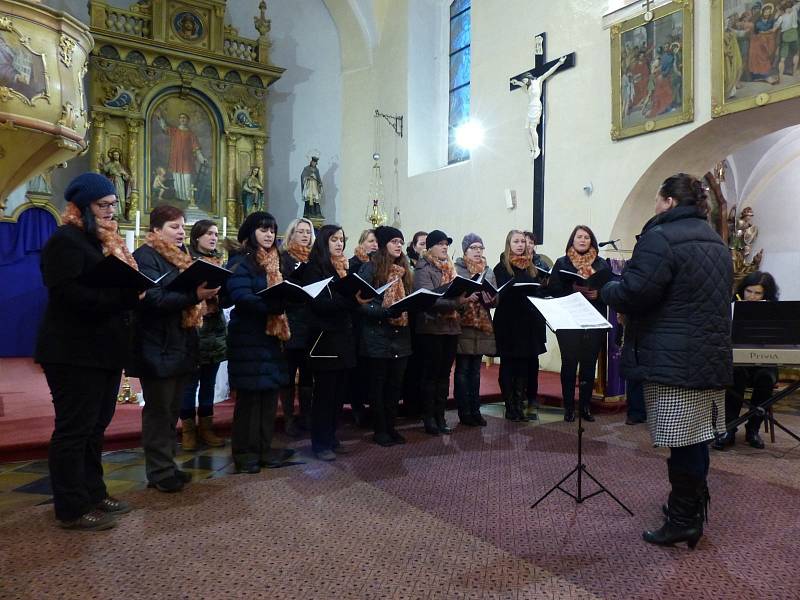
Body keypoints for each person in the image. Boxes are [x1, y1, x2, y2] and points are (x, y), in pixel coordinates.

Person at [601, 172, 733, 549]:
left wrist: (608, 287)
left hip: (674, 356)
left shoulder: (661, 237)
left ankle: (683, 521)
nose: (655, 206)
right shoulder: (715, 241)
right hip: (708, 354)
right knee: (697, 439)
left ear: (669, 202)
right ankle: (690, 511)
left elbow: (636, 291)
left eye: (658, 200)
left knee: (684, 444)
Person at [35, 173, 140, 530]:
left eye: (113, 204)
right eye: (103, 205)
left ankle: (94, 492)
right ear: (82, 207)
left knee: (96, 428)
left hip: (103, 350)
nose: (112, 211)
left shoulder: (100, 242)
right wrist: (122, 296)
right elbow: (67, 295)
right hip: (72, 351)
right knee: (73, 430)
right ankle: (71, 507)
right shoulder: (65, 241)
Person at [131, 205, 219, 493]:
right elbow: (152, 299)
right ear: (156, 230)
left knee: (171, 411)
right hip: (157, 344)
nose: (181, 231)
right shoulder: (145, 256)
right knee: (159, 412)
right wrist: (193, 295)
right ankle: (158, 471)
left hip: (180, 343)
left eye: (182, 226)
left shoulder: (182, 257)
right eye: (174, 226)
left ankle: (167, 465)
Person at [225, 212, 295, 474]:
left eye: (272, 230)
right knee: (249, 402)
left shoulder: (280, 262)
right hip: (248, 337)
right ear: (251, 232)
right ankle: (245, 454)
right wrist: (272, 305)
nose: (268, 235)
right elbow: (240, 296)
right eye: (263, 229)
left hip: (272, 338)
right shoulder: (241, 262)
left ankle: (265, 450)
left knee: (268, 399)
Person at [302, 224, 369, 460]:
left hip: (343, 338)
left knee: (339, 394)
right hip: (324, 340)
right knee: (325, 395)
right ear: (323, 242)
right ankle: (320, 443)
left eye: (342, 239)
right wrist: (352, 301)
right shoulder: (313, 269)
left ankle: (332, 437)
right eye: (334, 239)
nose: (339, 243)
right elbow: (318, 304)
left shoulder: (344, 269)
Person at [548, 225, 610, 423]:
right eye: (579, 237)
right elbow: (554, 290)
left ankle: (585, 406)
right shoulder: (562, 263)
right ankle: (568, 407)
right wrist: (571, 290)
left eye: (586, 237)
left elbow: (610, 289)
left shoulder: (601, 264)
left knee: (589, 364)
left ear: (591, 241)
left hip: (593, 319)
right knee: (569, 363)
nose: (583, 240)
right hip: (569, 320)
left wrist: (599, 294)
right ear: (572, 240)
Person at [357, 226, 413, 446]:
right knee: (378, 387)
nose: (399, 245)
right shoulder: (370, 269)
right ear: (382, 244)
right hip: (377, 336)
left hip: (400, 335)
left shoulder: (403, 269)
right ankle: (380, 429)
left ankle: (391, 427)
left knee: (394, 387)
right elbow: (361, 304)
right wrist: (385, 311)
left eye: (401, 241)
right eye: (394, 241)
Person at [715, 271, 780, 451]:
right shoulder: (732, 307)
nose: (752, 297)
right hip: (738, 361)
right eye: (749, 291)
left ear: (766, 295)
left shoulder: (775, 311)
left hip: (764, 362)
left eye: (758, 293)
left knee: (765, 379)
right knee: (736, 376)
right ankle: (729, 429)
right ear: (742, 290)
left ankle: (753, 429)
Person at [180, 220, 228, 451]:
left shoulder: (218, 262)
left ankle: (207, 428)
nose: (213, 238)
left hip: (215, 330)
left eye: (216, 234)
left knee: (208, 383)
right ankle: (188, 430)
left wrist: (221, 297)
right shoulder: (185, 261)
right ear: (197, 236)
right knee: (190, 384)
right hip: (193, 328)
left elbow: (228, 297)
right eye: (208, 233)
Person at [414, 229, 467, 435]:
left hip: (451, 328)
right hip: (431, 328)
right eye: (440, 244)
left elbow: (455, 298)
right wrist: (456, 301)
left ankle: (440, 415)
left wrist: (463, 300)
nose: (445, 247)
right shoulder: (423, 268)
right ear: (430, 247)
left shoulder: (450, 268)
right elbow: (429, 299)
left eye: (446, 244)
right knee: (431, 375)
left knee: (445, 375)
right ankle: (428, 417)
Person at [493, 230, 547, 423]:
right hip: (508, 322)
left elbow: (536, 291)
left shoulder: (531, 268)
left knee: (523, 367)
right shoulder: (501, 268)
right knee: (508, 366)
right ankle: (510, 406)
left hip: (527, 323)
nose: (520, 245)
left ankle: (520, 405)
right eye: (516, 241)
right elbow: (497, 293)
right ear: (509, 244)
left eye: (523, 241)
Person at [279, 217, 316, 437]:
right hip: (290, 320)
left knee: (308, 373)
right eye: (300, 231)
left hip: (309, 320)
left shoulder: (314, 259)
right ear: (291, 234)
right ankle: (289, 418)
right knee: (288, 371)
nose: (304, 235)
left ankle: (306, 416)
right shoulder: (283, 258)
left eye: (307, 232)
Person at [454, 233, 496, 426]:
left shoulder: (488, 271)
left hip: (482, 323)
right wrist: (464, 299)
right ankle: (464, 411)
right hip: (463, 323)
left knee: (476, 371)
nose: (478, 251)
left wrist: (492, 299)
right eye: (474, 248)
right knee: (463, 370)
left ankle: (475, 410)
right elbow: (452, 296)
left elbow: (495, 297)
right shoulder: (457, 269)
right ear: (465, 251)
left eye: (480, 248)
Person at [347, 228, 378, 426]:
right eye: (370, 241)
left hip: (374, 319)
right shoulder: (353, 264)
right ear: (361, 243)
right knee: (357, 369)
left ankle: (370, 406)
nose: (374, 245)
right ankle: (357, 407)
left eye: (376, 242)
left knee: (371, 370)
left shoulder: (380, 265)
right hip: (357, 320)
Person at [510, 55, 567, 158]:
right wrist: (516, 82)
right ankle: (532, 149)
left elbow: (549, 72)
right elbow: (520, 84)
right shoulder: (527, 87)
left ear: (528, 77)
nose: (524, 82)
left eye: (524, 80)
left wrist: (559, 63)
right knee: (526, 129)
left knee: (532, 128)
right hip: (530, 107)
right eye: (523, 82)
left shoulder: (538, 81)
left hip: (536, 106)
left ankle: (537, 148)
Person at [523, 230, 550, 419]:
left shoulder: (541, 263)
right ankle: (520, 394)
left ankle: (532, 395)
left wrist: (546, 283)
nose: (528, 245)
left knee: (533, 358)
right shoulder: (513, 262)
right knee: (520, 359)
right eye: (524, 242)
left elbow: (551, 285)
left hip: (536, 315)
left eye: (531, 242)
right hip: (520, 314)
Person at [156, 111, 207, 202]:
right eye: (181, 118)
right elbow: (164, 127)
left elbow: (196, 148)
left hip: (187, 160)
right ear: (179, 120)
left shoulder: (191, 134)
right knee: (177, 177)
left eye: (184, 118)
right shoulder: (175, 131)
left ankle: (188, 198)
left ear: (187, 120)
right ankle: (179, 196)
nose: (182, 119)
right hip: (176, 158)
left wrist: (202, 159)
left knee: (187, 178)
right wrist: (160, 118)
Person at [99, 148, 130, 220]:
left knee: (122, 198)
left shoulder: (122, 166)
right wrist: (102, 160)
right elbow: (104, 169)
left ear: (119, 156)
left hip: (121, 183)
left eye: (117, 155)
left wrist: (124, 174)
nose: (116, 156)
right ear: (112, 156)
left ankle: (121, 214)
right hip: (113, 181)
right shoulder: (110, 164)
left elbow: (127, 177)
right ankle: (114, 214)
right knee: (114, 197)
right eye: (114, 155)